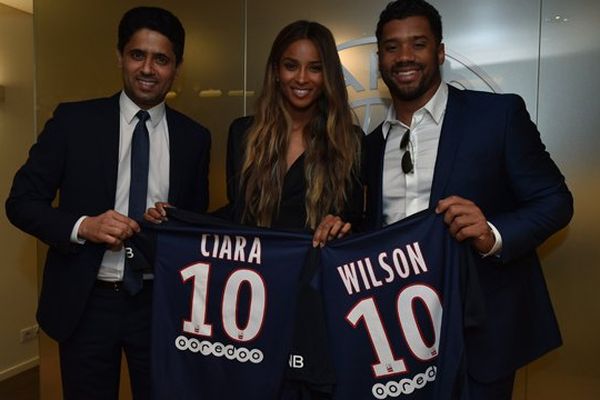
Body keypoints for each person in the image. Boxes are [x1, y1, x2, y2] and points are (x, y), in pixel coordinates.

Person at [364, 0, 573, 398]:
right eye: (392, 47)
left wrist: (492, 233)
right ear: (380, 59)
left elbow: (555, 200)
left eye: (418, 44)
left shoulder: (497, 115)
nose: (404, 56)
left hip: (481, 336)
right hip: (395, 340)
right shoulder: (371, 146)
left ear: (440, 51)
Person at [147, 19, 362, 400]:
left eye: (315, 67)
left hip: (314, 304)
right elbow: (238, 216)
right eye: (291, 65)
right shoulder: (244, 133)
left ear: (328, 75)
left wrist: (341, 225)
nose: (302, 77)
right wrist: (177, 222)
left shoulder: (350, 141)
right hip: (252, 304)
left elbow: (358, 223)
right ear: (276, 72)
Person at [5, 6, 210, 399]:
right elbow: (21, 202)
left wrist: (173, 222)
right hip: (86, 304)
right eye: (138, 55)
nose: (148, 68)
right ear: (120, 57)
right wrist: (85, 226)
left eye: (161, 59)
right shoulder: (73, 122)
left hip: (161, 306)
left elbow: (195, 225)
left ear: (176, 67)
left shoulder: (194, 138)